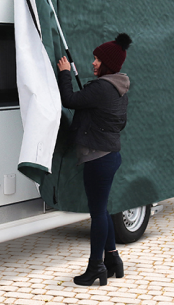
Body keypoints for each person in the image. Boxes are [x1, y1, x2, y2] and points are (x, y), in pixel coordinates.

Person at [56, 33, 132, 286]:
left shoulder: (102, 88)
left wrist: (65, 72)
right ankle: (112, 261)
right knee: (103, 210)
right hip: (109, 155)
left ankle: (95, 268)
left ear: (108, 64)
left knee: (98, 213)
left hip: (99, 157)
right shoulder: (119, 86)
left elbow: (70, 100)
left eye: (98, 59)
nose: (94, 63)